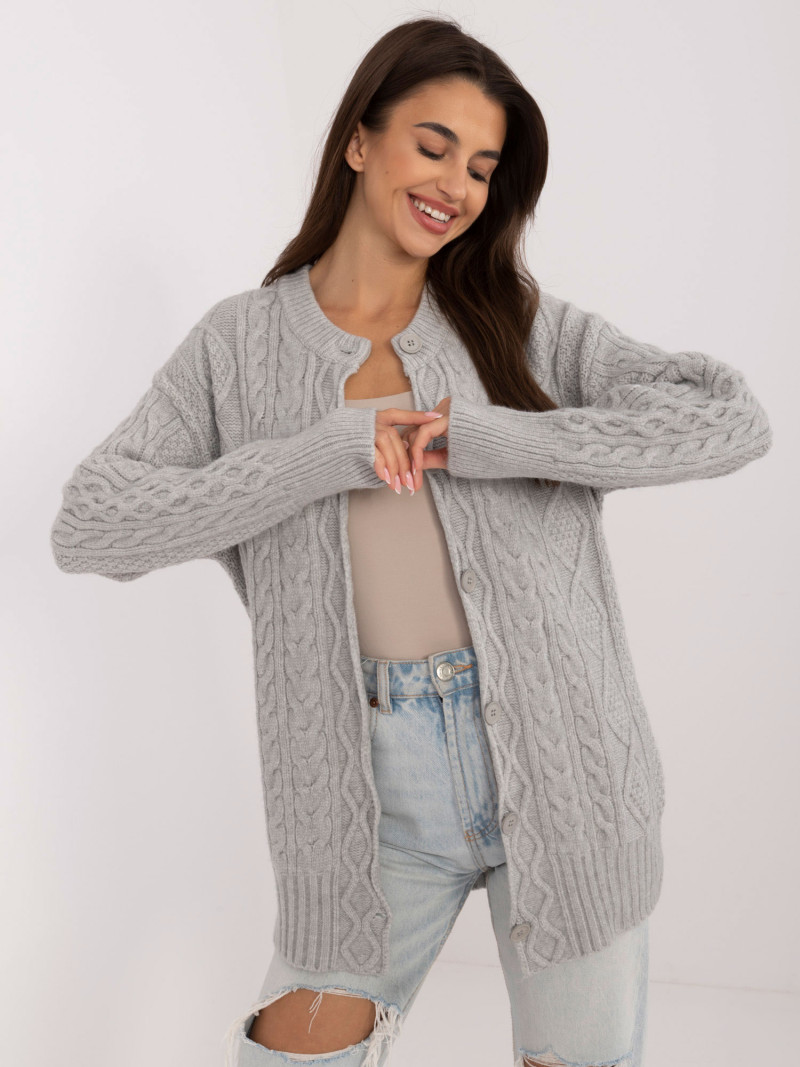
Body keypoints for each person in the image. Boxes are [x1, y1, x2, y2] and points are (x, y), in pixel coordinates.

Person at [49, 16, 773, 1067]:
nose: (456, 185)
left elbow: (728, 417)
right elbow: (91, 525)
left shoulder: (513, 321)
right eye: (433, 146)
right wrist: (321, 453)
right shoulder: (237, 348)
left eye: (481, 166)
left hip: (566, 767)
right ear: (358, 139)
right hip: (368, 797)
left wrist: (495, 437)